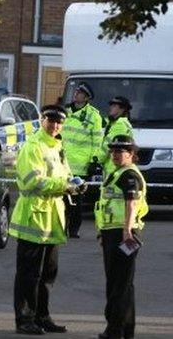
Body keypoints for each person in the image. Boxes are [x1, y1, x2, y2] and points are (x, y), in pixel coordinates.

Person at [10, 104, 86, 335]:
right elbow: (33, 182)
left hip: (52, 217)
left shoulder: (57, 146)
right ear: (42, 120)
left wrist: (75, 183)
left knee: (47, 274)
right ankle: (24, 319)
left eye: (59, 122)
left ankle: (42, 316)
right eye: (50, 121)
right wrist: (66, 186)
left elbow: (65, 174)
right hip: (33, 217)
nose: (55, 126)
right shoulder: (33, 146)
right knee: (29, 274)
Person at [94, 135, 149, 339]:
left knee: (119, 285)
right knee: (122, 284)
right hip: (112, 232)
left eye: (121, 151)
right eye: (114, 151)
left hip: (122, 233)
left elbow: (131, 203)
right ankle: (125, 330)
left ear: (132, 154)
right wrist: (102, 232)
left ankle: (115, 330)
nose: (116, 155)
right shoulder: (117, 173)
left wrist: (126, 231)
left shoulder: (128, 175)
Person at [62, 82, 103, 238]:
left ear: (86, 97)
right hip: (62, 164)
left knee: (76, 201)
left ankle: (74, 230)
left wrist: (94, 160)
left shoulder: (93, 115)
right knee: (61, 199)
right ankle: (62, 227)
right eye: (76, 91)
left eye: (79, 92)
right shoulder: (65, 111)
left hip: (80, 166)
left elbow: (97, 140)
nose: (76, 94)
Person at [101, 97, 134, 179]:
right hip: (114, 166)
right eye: (111, 105)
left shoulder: (120, 124)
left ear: (122, 109)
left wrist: (96, 160)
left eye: (114, 106)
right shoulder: (114, 123)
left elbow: (107, 146)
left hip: (113, 166)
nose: (111, 108)